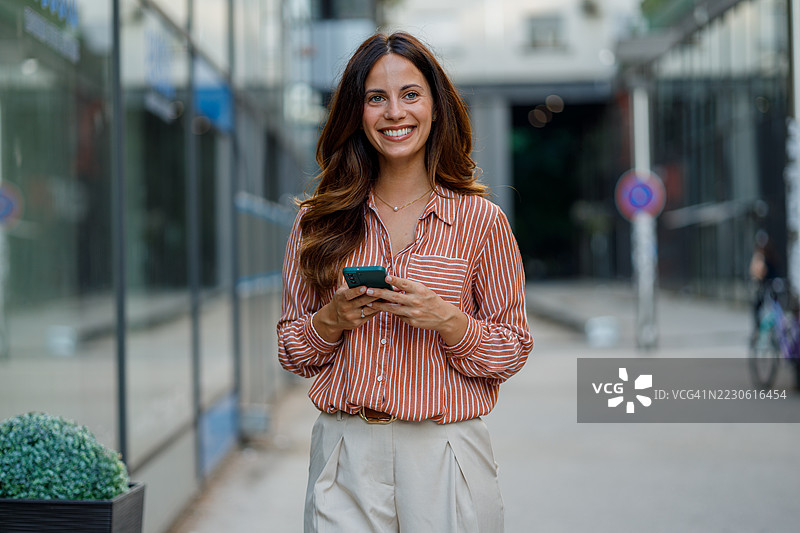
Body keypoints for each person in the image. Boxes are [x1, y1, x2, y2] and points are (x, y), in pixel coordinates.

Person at [277, 31, 533, 533]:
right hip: (345, 456)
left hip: (444, 453)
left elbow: (513, 348)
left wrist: (450, 322)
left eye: (410, 94)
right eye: (377, 97)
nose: (395, 112)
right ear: (357, 111)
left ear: (436, 106)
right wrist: (329, 322)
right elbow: (292, 351)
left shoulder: (481, 221)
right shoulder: (317, 222)